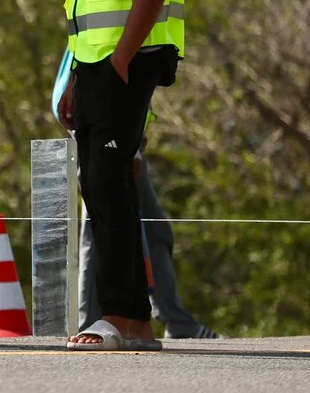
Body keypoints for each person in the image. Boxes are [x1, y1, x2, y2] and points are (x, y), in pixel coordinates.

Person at [56, 0, 186, 351]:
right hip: (97, 64)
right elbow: (87, 0)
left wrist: (121, 61)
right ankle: (127, 319)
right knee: (101, 183)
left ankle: (128, 319)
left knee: (108, 183)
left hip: (127, 61)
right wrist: (72, 76)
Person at [78, 138, 224, 340]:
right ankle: (93, 322)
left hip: (127, 140)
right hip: (108, 143)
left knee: (154, 231)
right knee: (101, 232)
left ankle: (164, 321)